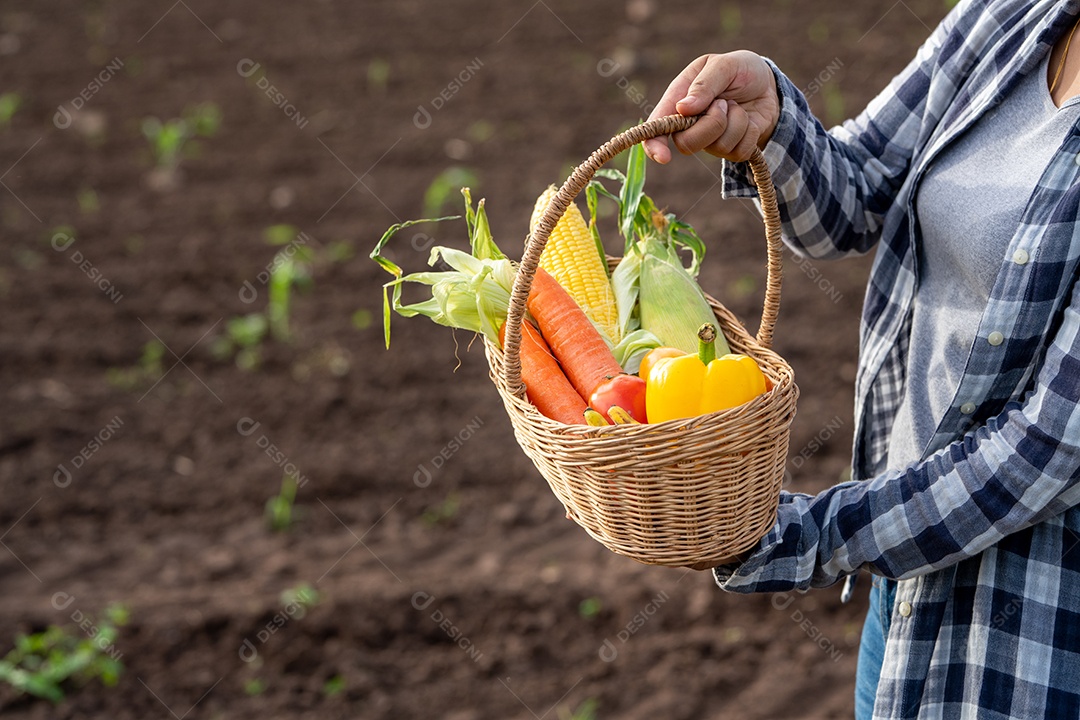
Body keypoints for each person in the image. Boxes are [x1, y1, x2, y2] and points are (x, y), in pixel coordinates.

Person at [642, 1, 1080, 718]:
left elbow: (1046, 449)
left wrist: (813, 536)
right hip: (905, 594)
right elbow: (855, 187)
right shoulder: (1013, 16)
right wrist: (774, 120)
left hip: (1029, 631)